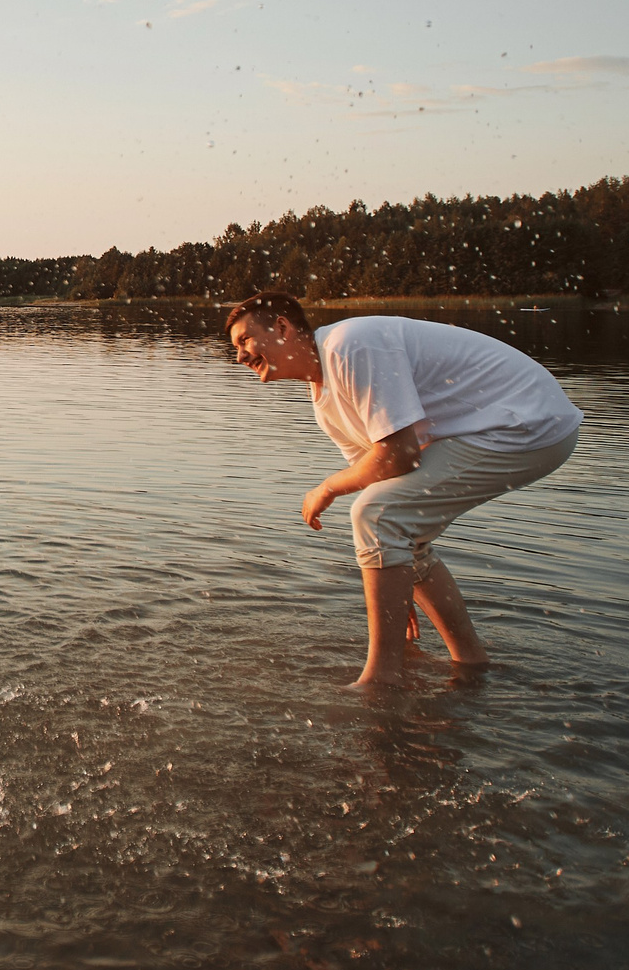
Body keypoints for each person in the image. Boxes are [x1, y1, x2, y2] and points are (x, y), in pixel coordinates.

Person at [224, 291, 581, 689]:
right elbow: (383, 478)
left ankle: (382, 679)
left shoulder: (348, 345)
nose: (239, 356)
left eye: (244, 341)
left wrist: (325, 489)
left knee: (375, 515)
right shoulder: (325, 401)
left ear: (283, 328)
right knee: (394, 524)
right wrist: (397, 579)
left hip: (528, 421)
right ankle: (471, 663)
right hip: (500, 426)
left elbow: (399, 456)